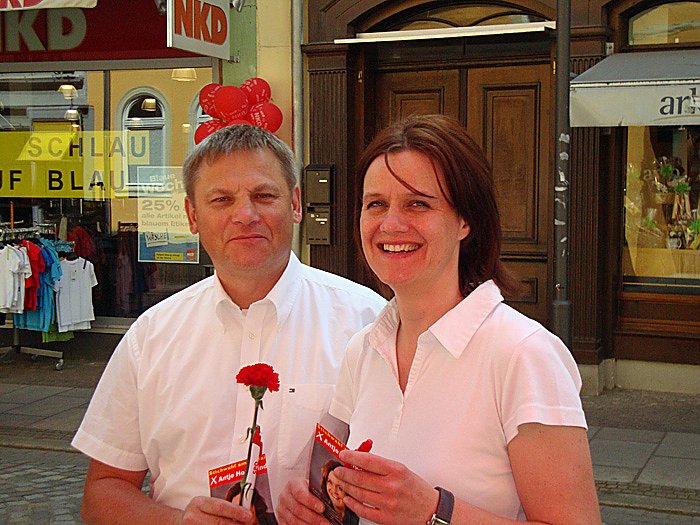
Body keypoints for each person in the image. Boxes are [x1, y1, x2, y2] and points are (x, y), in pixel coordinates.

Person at [277, 114, 601, 524]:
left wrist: (434, 511)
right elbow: (332, 477)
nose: (391, 224)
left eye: (418, 203)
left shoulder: (523, 355)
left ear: (466, 220)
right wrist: (309, 500)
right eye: (376, 204)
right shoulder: (364, 349)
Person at [72, 124, 386, 524]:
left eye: (264, 196)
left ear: (295, 204)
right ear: (192, 215)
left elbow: (407, 472)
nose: (245, 215)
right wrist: (176, 523)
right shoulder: (150, 337)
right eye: (222, 200)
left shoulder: (367, 322)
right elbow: (102, 492)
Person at [320, 460, 356, 525]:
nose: (334, 491)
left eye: (340, 487)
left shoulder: (356, 519)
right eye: (330, 482)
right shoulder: (321, 508)